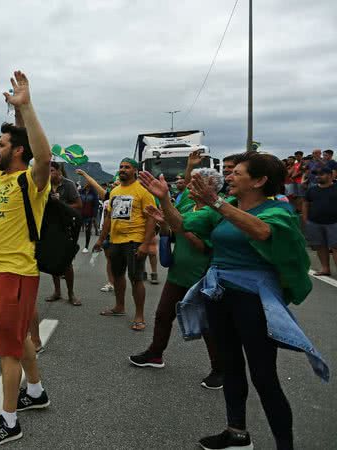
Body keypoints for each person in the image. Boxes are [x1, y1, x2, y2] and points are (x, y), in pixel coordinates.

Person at [140, 152, 329, 450]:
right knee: (231, 366)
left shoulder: (276, 211)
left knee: (263, 375)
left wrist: (216, 202)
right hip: (220, 295)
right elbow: (180, 224)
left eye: (237, 173)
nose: (229, 177)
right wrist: (164, 199)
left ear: (259, 180)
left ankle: (285, 444)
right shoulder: (223, 209)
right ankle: (236, 433)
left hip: (252, 301)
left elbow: (261, 231)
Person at [0, 72, 53, 446]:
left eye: (4, 144)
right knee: (18, 339)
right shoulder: (1, 179)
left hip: (16, 273)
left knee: (6, 347)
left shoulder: (31, 180)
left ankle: (9, 421)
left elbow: (44, 155)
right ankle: (35, 392)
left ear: (17, 150)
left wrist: (27, 106)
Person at [128, 168, 224, 389]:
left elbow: (203, 246)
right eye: (190, 183)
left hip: (202, 275)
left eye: (195, 184)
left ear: (211, 188)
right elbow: (171, 224)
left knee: (208, 324)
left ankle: (220, 370)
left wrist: (181, 228)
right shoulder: (188, 205)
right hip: (178, 272)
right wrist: (164, 224)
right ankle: (155, 354)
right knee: (163, 315)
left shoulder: (216, 212)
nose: (189, 187)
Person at [94, 158, 156, 331]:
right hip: (115, 241)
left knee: (136, 278)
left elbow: (152, 218)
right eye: (121, 167)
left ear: (135, 170)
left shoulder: (143, 192)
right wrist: (100, 240)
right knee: (118, 275)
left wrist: (145, 244)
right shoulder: (114, 191)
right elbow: (108, 217)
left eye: (127, 167)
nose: (123, 170)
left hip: (134, 241)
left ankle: (139, 315)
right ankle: (119, 307)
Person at [45, 161, 82, 305]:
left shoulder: (68, 185)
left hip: (66, 227)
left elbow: (79, 205)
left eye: (52, 171)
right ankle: (57, 291)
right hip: (50, 227)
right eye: (47, 171)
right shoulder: (44, 185)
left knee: (66, 262)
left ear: (59, 172)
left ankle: (71, 294)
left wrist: (61, 204)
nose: (49, 173)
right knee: (54, 260)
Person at [302, 166, 337, 276]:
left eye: (321, 174)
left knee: (336, 247)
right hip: (314, 222)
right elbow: (305, 204)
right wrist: (305, 219)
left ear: (330, 175)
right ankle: (325, 269)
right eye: (317, 174)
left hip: (334, 222)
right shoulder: (311, 189)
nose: (318, 176)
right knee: (320, 246)